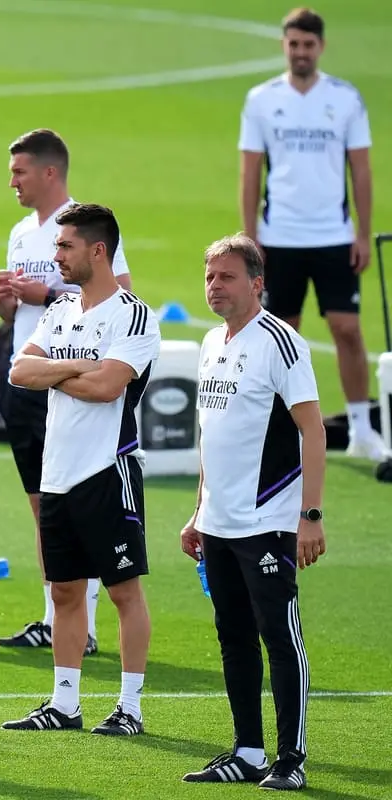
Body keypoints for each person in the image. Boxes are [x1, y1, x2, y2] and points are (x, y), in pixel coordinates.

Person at [1, 203, 159, 737]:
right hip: (57, 473)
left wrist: (56, 373)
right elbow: (19, 370)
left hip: (106, 471)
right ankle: (64, 704)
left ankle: (130, 708)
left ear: (98, 250)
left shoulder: (132, 315)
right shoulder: (61, 309)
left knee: (123, 592)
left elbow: (108, 386)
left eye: (65, 246)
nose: (56, 256)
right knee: (64, 593)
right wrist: (75, 366)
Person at [180, 234, 326, 791]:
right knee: (233, 636)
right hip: (218, 523)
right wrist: (198, 512)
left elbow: (313, 430)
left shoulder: (281, 343)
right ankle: (246, 751)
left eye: (227, 277)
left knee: (280, 638)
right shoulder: (210, 342)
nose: (214, 286)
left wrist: (310, 515)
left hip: (267, 521)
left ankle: (291, 760)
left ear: (257, 283)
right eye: (209, 276)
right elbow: (210, 436)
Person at [0, 128, 134, 657]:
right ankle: (56, 618)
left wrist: (47, 293)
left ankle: (86, 625)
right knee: (44, 506)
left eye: (20, 171)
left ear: (49, 171)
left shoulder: (86, 227)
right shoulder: (20, 232)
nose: (12, 181)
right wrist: (8, 301)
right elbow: (15, 315)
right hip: (27, 380)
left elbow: (122, 295)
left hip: (71, 384)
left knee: (80, 507)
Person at [238, 7, 384, 461]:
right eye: (294, 44)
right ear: (284, 45)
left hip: (333, 236)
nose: (300, 52)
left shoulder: (345, 99)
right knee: (281, 334)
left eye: (308, 45)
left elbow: (361, 169)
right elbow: (250, 172)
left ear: (321, 47)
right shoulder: (261, 100)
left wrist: (362, 233)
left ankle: (361, 428)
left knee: (347, 329)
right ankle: (283, 429)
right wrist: (251, 237)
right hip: (279, 237)